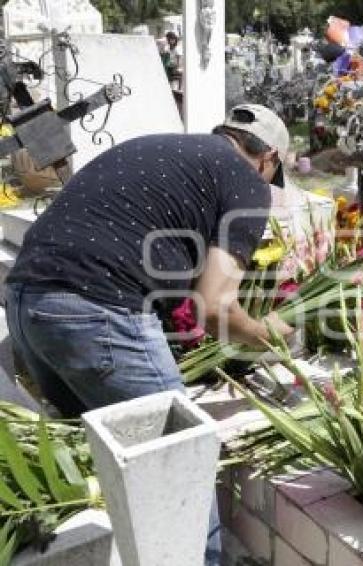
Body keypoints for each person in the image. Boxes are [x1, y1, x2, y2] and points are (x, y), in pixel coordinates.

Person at [4, 103, 293, 566]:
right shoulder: (246, 181)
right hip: (98, 312)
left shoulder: (160, 147)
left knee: (102, 464)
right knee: (180, 473)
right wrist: (267, 336)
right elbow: (214, 307)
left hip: (26, 304)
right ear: (269, 158)